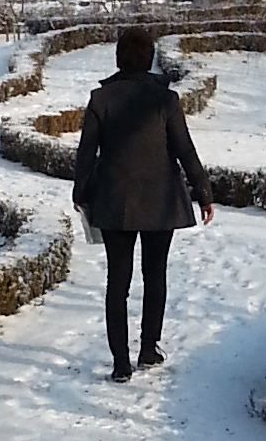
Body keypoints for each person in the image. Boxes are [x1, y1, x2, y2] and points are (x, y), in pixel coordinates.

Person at [70, 24, 215, 380]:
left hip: (114, 200)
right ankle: (148, 348)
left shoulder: (101, 99)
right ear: (150, 60)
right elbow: (184, 150)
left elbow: (86, 153)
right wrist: (203, 193)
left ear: (119, 58)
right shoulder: (166, 100)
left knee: (117, 282)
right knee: (155, 275)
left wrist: (81, 193)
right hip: (160, 201)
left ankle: (120, 362)